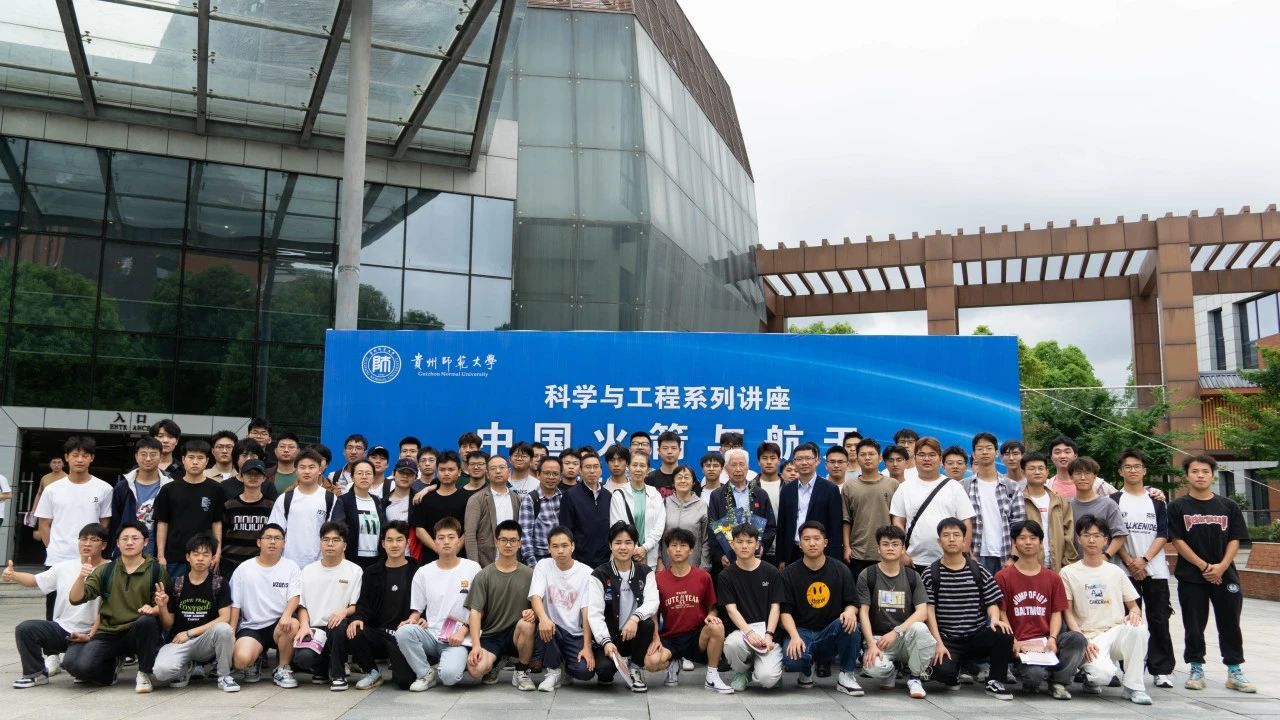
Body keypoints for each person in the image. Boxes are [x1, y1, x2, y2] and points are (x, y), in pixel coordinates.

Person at [1168, 454, 1253, 693]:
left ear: (1212, 475)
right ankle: (1196, 668)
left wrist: (1222, 566)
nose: (1200, 475)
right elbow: (1177, 540)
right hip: (1191, 576)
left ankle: (1234, 671)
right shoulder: (1177, 506)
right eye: (1195, 471)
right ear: (1187, 476)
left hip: (1225, 574)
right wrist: (1204, 567)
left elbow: (1236, 538)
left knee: (1230, 623)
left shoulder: (1228, 506)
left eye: (1205, 471)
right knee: (1194, 624)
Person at [64, 520, 169, 692]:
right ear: (118, 543)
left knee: (147, 621)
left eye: (135, 538)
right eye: (124, 538)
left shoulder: (157, 571)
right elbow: (75, 599)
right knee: (78, 667)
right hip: (108, 632)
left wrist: (154, 609)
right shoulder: (106, 570)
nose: (129, 542)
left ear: (145, 542)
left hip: (137, 631)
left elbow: (165, 606)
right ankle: (111, 666)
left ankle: (144, 673)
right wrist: (81, 577)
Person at [1060, 514, 1152, 704]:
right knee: (1102, 676)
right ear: (1079, 539)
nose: (1092, 540)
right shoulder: (1068, 572)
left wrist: (1134, 615)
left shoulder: (1116, 572)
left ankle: (1134, 687)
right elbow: (1066, 612)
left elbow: (1134, 606)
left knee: (1139, 628)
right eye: (1086, 535)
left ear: (1106, 540)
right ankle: (1091, 677)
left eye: (1097, 535)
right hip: (1089, 637)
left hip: (1115, 632)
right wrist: (1081, 639)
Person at [5, 523, 109, 688]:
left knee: (77, 668)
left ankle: (107, 665)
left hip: (93, 633)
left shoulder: (111, 569)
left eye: (94, 540)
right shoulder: (64, 567)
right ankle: (36, 674)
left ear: (103, 545)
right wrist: (13, 575)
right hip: (63, 629)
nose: (87, 543)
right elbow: (35, 581)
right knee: (26, 629)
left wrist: (92, 634)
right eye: (83, 539)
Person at [921, 517, 1014, 700]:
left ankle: (995, 681)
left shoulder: (977, 569)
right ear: (939, 541)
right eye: (946, 535)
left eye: (956, 535)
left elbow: (992, 602)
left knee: (1003, 632)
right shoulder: (931, 573)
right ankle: (954, 672)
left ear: (964, 540)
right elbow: (929, 612)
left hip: (976, 636)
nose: (952, 539)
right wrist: (938, 643)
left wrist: (995, 619)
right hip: (948, 640)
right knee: (941, 672)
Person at [994, 520, 1087, 700]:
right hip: (1020, 645)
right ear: (1014, 543)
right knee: (1034, 678)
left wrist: (1052, 638)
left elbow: (1056, 613)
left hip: (1046, 642)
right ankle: (1025, 671)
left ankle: (1058, 682)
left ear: (1041, 542)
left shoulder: (1053, 578)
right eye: (1022, 538)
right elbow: (1002, 613)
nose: (1028, 542)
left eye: (1033, 538)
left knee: (1077, 639)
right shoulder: (1003, 577)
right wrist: (1014, 640)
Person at [1111, 448, 1174, 689]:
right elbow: (1115, 534)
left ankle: (1162, 670)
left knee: (1159, 619)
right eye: (1127, 467)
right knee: (1128, 621)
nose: (1133, 470)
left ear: (1144, 470)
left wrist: (1144, 560)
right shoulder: (1114, 500)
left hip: (1155, 570)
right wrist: (1131, 562)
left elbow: (1163, 533)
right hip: (1124, 571)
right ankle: (1128, 669)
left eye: (1137, 466)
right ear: (1120, 471)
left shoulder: (1157, 500)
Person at [779, 521, 863, 695]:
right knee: (792, 661)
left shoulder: (840, 570)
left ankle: (847, 675)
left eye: (817, 539)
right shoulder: (789, 573)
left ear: (825, 542)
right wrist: (794, 636)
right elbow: (784, 611)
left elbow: (853, 602)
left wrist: (849, 612)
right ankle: (806, 669)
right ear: (799, 544)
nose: (812, 543)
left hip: (829, 631)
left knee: (851, 625)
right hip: (802, 631)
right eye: (806, 539)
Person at [396, 517, 480, 691]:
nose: (446, 542)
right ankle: (426, 674)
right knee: (403, 631)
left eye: (451, 537)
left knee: (449, 678)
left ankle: (452, 663)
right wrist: (412, 620)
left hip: (458, 638)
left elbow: (479, 609)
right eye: (441, 538)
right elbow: (417, 610)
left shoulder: (472, 568)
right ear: (434, 541)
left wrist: (463, 631)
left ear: (459, 541)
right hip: (432, 635)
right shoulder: (424, 572)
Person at [35, 436, 112, 621]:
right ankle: (53, 639)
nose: (80, 459)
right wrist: (52, 547)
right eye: (75, 455)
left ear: (92, 458)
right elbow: (44, 524)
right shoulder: (52, 489)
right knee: (54, 606)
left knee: (90, 604)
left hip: (90, 559)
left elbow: (104, 523)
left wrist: (95, 550)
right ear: (66, 457)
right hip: (58, 557)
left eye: (85, 455)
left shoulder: (104, 488)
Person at [586, 522, 668, 692]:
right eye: (618, 542)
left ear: (635, 545)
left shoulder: (645, 572)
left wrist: (634, 618)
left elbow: (653, 602)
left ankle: (634, 667)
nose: (623, 547)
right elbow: (595, 613)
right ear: (610, 545)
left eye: (628, 542)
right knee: (604, 671)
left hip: (633, 633)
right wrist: (605, 642)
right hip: (609, 635)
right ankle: (612, 665)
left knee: (646, 623)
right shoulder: (599, 574)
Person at [855, 524, 935, 699]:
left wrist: (896, 631)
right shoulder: (867, 575)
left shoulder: (912, 576)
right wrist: (871, 644)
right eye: (885, 544)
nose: (890, 548)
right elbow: (863, 613)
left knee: (921, 629)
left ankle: (915, 678)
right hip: (879, 639)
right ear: (878, 548)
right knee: (872, 668)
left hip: (905, 637)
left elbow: (922, 612)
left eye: (895, 544)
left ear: (903, 548)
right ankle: (891, 671)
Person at [152, 534, 238, 692]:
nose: (200, 558)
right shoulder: (176, 583)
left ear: (212, 558)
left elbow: (225, 617)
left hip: (206, 643)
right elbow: (168, 625)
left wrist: (190, 633)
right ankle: (187, 665)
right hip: (179, 642)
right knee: (161, 672)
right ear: (188, 557)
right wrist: (162, 607)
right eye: (196, 554)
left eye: (205, 554)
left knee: (224, 629)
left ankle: (224, 676)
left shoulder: (220, 584)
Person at [656, 527, 733, 693]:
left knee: (717, 626)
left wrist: (711, 616)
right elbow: (654, 614)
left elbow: (713, 608)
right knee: (651, 662)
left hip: (696, 636)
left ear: (691, 550)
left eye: (683, 545)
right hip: (670, 637)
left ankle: (712, 677)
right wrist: (655, 639)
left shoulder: (703, 577)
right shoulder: (658, 579)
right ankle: (673, 662)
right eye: (674, 545)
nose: (678, 549)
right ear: (667, 550)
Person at [347, 521, 419, 690]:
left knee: (405, 682)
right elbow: (363, 603)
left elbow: (425, 602)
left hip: (404, 635)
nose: (394, 545)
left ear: (408, 542)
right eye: (390, 540)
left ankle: (404, 665)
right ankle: (372, 672)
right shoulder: (372, 572)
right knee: (353, 629)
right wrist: (357, 618)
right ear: (383, 543)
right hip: (379, 634)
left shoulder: (417, 570)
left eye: (399, 540)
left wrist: (422, 618)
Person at [292, 521, 364, 690]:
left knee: (337, 627)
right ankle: (322, 670)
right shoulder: (307, 571)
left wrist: (343, 612)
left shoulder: (355, 571)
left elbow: (355, 605)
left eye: (336, 540)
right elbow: (302, 605)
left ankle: (338, 675)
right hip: (315, 629)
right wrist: (304, 625)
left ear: (344, 545)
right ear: (320, 543)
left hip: (339, 626)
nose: (330, 544)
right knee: (303, 658)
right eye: (326, 539)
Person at [464, 520, 536, 687]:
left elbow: (539, 605)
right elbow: (475, 612)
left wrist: (533, 611)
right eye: (503, 540)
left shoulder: (530, 574)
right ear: (496, 542)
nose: (508, 545)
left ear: (520, 543)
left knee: (527, 625)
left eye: (513, 540)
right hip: (491, 636)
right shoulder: (484, 575)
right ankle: (496, 661)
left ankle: (521, 670)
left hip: (516, 634)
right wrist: (476, 646)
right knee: (475, 669)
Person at [228, 523, 302, 686]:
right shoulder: (244, 569)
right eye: (268, 537)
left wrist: (287, 615)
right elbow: (235, 604)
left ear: (284, 543)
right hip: (252, 626)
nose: (273, 542)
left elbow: (295, 596)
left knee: (293, 624)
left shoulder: (291, 567)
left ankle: (282, 668)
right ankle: (254, 660)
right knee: (241, 660)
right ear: (259, 542)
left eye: (277, 538)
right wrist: (232, 632)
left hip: (278, 624)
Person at [889, 437, 974, 568]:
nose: (926, 459)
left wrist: (963, 553)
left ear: (940, 459)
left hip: (950, 561)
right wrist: (902, 552)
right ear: (914, 458)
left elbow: (966, 522)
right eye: (922, 455)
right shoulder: (904, 488)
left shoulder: (954, 487)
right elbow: (898, 522)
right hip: (913, 561)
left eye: (932, 455)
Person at [527, 526, 596, 690]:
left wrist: (587, 647)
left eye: (564, 545)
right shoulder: (543, 565)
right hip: (551, 630)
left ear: (573, 546)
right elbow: (535, 596)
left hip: (574, 633)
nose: (560, 551)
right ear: (548, 548)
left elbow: (586, 611)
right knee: (545, 624)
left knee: (585, 672)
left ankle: (565, 667)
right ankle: (553, 672)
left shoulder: (586, 573)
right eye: (555, 546)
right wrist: (543, 619)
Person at [717, 523, 783, 691]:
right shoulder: (726, 576)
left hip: (768, 635)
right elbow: (731, 609)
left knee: (768, 680)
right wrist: (749, 632)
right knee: (731, 644)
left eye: (749, 541)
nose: (744, 546)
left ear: (757, 544)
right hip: (743, 633)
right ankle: (742, 672)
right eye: (739, 542)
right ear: (732, 544)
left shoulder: (771, 571)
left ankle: (770, 670)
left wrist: (769, 634)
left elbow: (776, 607)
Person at [154, 439, 225, 578]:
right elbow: (162, 523)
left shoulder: (216, 489)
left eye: (200, 458)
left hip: (204, 556)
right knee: (173, 590)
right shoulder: (169, 489)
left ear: (207, 461)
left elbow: (217, 522)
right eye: (191, 457)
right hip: (174, 556)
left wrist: (217, 552)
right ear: (183, 459)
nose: (195, 462)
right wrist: (161, 555)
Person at [268, 448, 346, 567]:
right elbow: (274, 532)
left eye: (311, 467)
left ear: (320, 470)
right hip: (288, 563)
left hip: (321, 564)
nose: (307, 471)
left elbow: (336, 534)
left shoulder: (330, 499)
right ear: (296, 470)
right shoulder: (284, 499)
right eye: (302, 467)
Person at [962, 432, 1025, 573]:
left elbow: (1018, 524)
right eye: (980, 449)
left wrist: (1014, 557)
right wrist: (968, 555)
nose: (984, 452)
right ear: (974, 454)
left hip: (1005, 555)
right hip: (975, 555)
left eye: (989, 448)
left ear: (996, 453)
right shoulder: (963, 486)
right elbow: (960, 524)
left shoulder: (1012, 486)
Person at [706, 448, 777, 572]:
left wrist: (762, 546)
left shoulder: (760, 494)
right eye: (733, 465)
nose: (738, 469)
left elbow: (771, 527)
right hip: (728, 562)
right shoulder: (717, 495)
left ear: (747, 467)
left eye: (742, 464)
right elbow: (713, 528)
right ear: (726, 468)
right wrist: (720, 555)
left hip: (755, 559)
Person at [775, 442, 842, 568]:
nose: (804, 462)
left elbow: (835, 527)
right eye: (799, 459)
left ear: (817, 461)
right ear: (794, 462)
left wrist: (834, 560)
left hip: (820, 553)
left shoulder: (830, 489)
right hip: (792, 551)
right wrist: (781, 558)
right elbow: (782, 526)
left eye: (808, 458)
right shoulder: (787, 490)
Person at [842, 437, 898, 579]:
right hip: (858, 553)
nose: (867, 458)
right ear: (857, 458)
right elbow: (846, 520)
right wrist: (847, 548)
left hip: (887, 551)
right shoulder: (849, 486)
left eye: (871, 454)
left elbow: (898, 519)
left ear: (880, 458)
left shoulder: (893, 484)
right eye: (863, 454)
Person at [109, 436, 173, 557]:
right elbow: (115, 522)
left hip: (156, 553)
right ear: (136, 456)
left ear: (160, 457)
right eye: (143, 454)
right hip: (125, 551)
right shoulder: (123, 487)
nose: (148, 459)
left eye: (153, 454)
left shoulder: (170, 487)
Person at [1020, 452, 1077, 571]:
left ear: (1047, 472)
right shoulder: (1019, 501)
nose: (1037, 472)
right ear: (1023, 472)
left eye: (1041, 468)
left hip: (1058, 564)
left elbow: (1069, 534)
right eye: (1031, 468)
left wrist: (1067, 563)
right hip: (1028, 566)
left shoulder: (1059, 501)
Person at [411, 453, 472, 563]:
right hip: (431, 558)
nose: (446, 473)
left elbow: (469, 529)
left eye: (451, 469)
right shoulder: (425, 499)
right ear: (437, 472)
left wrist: (454, 551)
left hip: (460, 558)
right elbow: (419, 529)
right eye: (442, 469)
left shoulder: (468, 499)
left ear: (459, 472)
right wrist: (438, 549)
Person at [610, 450, 665, 567]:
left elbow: (659, 527)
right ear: (628, 467)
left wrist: (644, 548)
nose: (638, 469)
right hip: (624, 555)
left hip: (648, 557)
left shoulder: (655, 494)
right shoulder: (619, 495)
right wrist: (634, 550)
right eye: (634, 465)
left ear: (648, 470)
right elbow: (617, 526)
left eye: (642, 465)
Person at [220, 459, 274, 578]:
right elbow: (221, 533)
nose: (253, 477)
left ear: (264, 478)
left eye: (257, 474)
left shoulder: (271, 506)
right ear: (242, 476)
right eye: (249, 474)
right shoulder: (229, 505)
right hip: (231, 563)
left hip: (260, 564)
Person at [464, 455, 521, 567]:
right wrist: (474, 566)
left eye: (502, 467)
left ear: (509, 472)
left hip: (513, 562)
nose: (498, 471)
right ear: (487, 474)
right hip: (486, 562)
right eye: (493, 468)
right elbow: (470, 535)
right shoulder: (477, 499)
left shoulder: (517, 498)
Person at [1065, 457, 1126, 560]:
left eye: (1087, 473)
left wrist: (1106, 556)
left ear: (1094, 476)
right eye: (1078, 473)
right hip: (1073, 564)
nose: (1083, 477)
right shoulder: (1066, 505)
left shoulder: (1108, 504)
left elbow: (1120, 535)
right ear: (1071, 477)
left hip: (1103, 565)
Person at [559, 450, 611, 569]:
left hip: (605, 561)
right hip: (579, 561)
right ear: (581, 471)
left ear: (601, 470)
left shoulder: (608, 496)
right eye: (588, 467)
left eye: (595, 467)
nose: (592, 471)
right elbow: (566, 530)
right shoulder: (570, 495)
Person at [338, 459, 386, 569]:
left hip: (376, 559)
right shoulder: (343, 501)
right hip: (351, 559)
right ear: (352, 477)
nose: (364, 477)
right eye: (360, 473)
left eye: (368, 473)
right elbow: (339, 530)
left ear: (373, 477)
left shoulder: (378, 501)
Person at [661, 465, 710, 570]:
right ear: (673, 482)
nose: (683, 481)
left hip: (693, 566)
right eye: (679, 477)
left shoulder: (702, 506)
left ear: (693, 482)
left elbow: (706, 540)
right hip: (667, 566)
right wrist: (659, 560)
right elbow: (658, 537)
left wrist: (704, 567)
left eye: (686, 477)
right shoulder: (664, 503)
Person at [519, 455, 564, 566]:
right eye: (547, 473)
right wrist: (533, 564)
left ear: (560, 476)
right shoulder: (530, 499)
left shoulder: (564, 498)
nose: (551, 477)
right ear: (538, 474)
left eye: (555, 474)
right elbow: (525, 535)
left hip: (561, 556)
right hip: (539, 558)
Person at [645, 430, 683, 496]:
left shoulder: (688, 479)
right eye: (665, 448)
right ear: (658, 451)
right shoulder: (649, 479)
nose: (669, 452)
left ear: (680, 450)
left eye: (673, 448)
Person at [755, 442, 784, 521]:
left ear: (779, 461)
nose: (769, 462)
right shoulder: (751, 486)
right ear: (758, 462)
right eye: (764, 458)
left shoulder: (788, 486)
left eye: (773, 458)